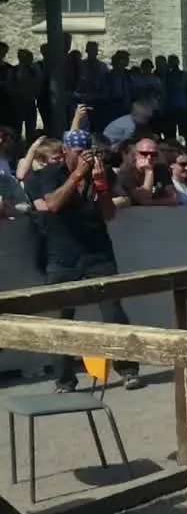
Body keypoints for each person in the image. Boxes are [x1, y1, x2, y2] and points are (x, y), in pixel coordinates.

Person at [23, 141, 144, 392]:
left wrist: (100, 186)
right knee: (61, 319)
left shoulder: (101, 171)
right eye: (79, 153)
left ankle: (128, 369)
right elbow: (54, 205)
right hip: (62, 255)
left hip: (97, 252)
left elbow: (109, 213)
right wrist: (77, 174)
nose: (85, 158)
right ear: (66, 152)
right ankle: (64, 379)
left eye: (87, 153)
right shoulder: (48, 175)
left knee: (114, 314)